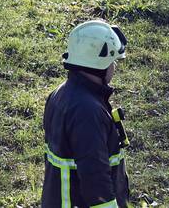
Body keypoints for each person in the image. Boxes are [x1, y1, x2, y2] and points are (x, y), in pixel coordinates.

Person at [42, 20, 130, 208]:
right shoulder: (87, 111)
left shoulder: (61, 94)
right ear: (101, 63)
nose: (114, 67)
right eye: (112, 61)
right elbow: (95, 178)